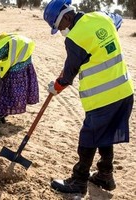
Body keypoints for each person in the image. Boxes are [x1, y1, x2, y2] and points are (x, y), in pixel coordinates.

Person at [43, 0, 134, 195]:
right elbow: (116, 22)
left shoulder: (74, 38)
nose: (60, 31)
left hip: (103, 97)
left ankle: (78, 181)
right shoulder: (100, 17)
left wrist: (56, 87)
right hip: (124, 92)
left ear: (66, 17)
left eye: (59, 27)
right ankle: (105, 176)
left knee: (88, 137)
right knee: (105, 134)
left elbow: (68, 74)